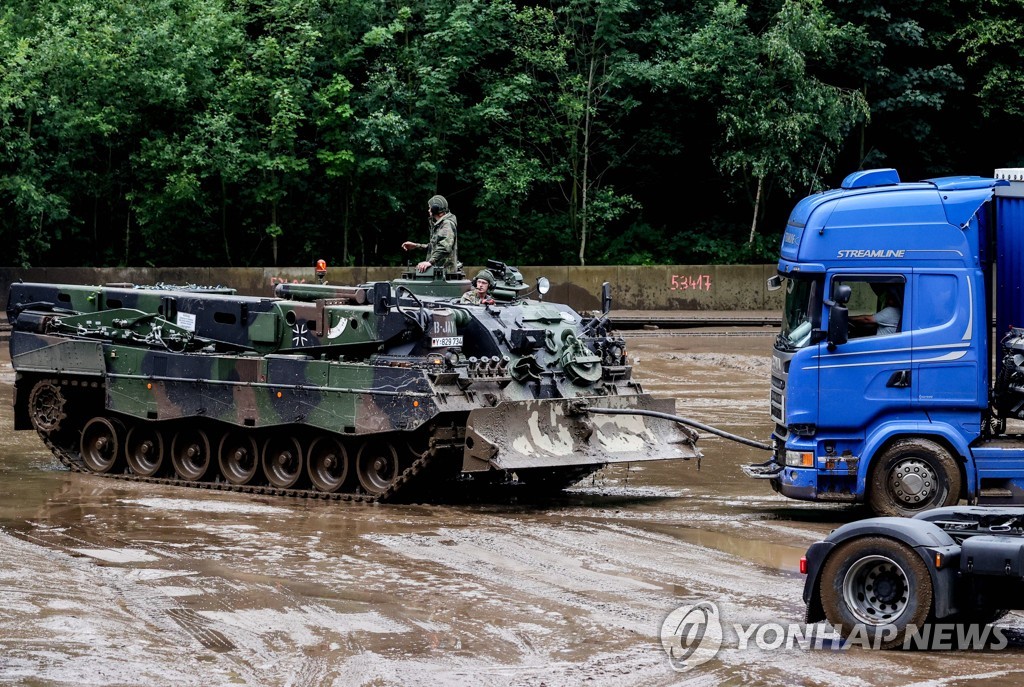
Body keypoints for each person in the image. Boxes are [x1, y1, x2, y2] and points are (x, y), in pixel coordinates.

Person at [401, 195, 458, 273]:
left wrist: (430, 262)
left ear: (435, 209)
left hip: (444, 273)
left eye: (430, 208)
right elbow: (434, 246)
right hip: (439, 272)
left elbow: (444, 247)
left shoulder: (447, 224)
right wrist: (416, 246)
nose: (428, 210)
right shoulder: (440, 224)